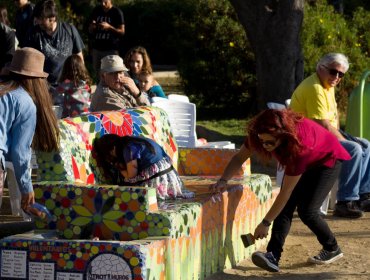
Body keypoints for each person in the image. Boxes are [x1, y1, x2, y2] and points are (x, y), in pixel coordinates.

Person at [210, 109, 350, 272]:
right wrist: (223, 180)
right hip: (308, 156)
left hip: (327, 159)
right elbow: (239, 157)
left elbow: (285, 192)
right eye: (262, 141)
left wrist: (265, 223)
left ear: (283, 136)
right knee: (286, 208)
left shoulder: (297, 148)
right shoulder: (261, 133)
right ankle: (273, 256)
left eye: (270, 142)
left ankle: (332, 248)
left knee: (307, 211)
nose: (265, 146)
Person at [290, 53, 370, 218]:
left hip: (322, 132)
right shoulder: (315, 88)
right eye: (334, 72)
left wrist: (342, 136)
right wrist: (343, 144)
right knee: (354, 149)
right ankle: (345, 201)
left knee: (366, 145)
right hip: (308, 136)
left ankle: (363, 196)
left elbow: (333, 119)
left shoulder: (327, 84)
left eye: (341, 74)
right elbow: (323, 125)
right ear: (320, 67)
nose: (337, 77)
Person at [0, 47, 59, 214]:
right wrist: (26, 189)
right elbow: (19, 152)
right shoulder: (25, 102)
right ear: (38, 80)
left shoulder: (4, 93)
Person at [92, 134, 194, 200]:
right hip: (170, 177)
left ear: (113, 148)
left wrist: (117, 166)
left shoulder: (129, 149)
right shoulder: (134, 140)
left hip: (159, 180)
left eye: (109, 154)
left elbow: (131, 175)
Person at [24, 0, 85, 86]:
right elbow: (27, 62)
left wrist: (81, 82)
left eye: (41, 18)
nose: (37, 21)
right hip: (44, 87)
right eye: (37, 18)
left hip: (68, 87)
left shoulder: (69, 30)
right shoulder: (33, 34)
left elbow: (79, 59)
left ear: (52, 18)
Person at [88, 0, 125, 76]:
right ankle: (99, 87)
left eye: (105, 2)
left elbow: (122, 31)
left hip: (111, 49)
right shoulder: (96, 10)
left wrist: (109, 27)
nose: (103, 4)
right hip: (97, 49)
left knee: (113, 73)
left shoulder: (117, 12)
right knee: (97, 74)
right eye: (101, 1)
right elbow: (90, 30)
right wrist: (92, 27)